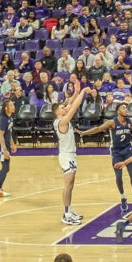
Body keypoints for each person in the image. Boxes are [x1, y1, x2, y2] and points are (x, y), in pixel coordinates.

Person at [80, 101, 132, 213]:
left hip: (128, 150)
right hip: (116, 152)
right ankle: (123, 197)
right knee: (118, 177)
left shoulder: (130, 121)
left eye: (127, 108)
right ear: (118, 111)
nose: (126, 110)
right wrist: (84, 133)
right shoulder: (112, 122)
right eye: (124, 108)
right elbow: (98, 129)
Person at [53, 88, 86, 224]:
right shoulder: (62, 122)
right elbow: (74, 107)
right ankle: (66, 215)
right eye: (62, 107)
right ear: (58, 112)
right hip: (66, 156)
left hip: (70, 154)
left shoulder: (62, 120)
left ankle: (69, 210)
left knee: (71, 185)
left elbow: (71, 103)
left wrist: (76, 91)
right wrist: (83, 92)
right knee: (68, 185)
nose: (65, 108)